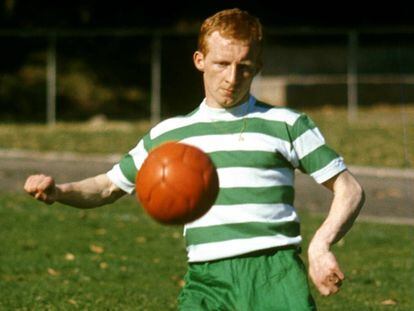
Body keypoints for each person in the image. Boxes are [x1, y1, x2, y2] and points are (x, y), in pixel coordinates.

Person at [24, 8, 365, 310]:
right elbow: (108, 186)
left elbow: (349, 190)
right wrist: (60, 192)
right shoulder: (170, 135)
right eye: (222, 64)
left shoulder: (287, 124)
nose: (232, 78)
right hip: (207, 278)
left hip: (274, 274)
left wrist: (320, 246)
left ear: (257, 66)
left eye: (244, 67)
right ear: (199, 60)